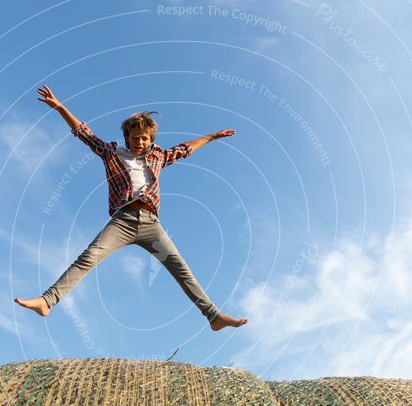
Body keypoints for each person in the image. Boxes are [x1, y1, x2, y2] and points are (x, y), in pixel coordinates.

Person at [15, 84, 248, 331]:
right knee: (88, 258)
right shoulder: (111, 153)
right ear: (127, 137)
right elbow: (83, 132)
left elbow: (185, 149)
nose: (139, 142)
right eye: (135, 137)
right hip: (122, 222)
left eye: (144, 138)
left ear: (151, 140)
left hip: (150, 224)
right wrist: (60, 107)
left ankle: (214, 317)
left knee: (180, 269)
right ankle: (47, 301)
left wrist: (212, 136)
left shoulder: (158, 157)